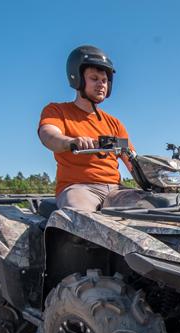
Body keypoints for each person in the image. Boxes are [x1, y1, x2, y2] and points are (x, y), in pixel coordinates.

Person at [38, 45, 134, 211]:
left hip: (116, 190)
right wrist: (70, 142)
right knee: (81, 215)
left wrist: (154, 174)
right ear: (78, 79)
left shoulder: (114, 123)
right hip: (79, 188)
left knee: (158, 207)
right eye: (94, 78)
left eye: (104, 80)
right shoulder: (57, 111)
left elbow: (132, 160)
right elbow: (49, 135)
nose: (101, 84)